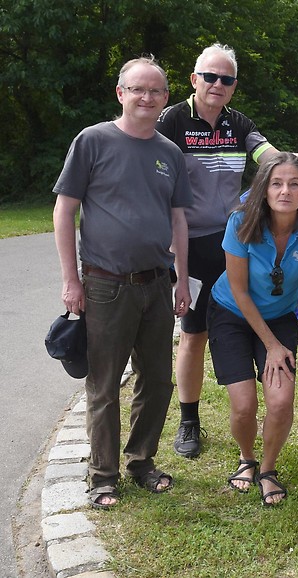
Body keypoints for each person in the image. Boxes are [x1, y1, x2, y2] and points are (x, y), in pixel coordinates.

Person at [156, 43, 298, 459]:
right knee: (194, 334)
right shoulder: (174, 120)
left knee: (241, 304)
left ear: (234, 86)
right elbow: (152, 173)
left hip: (236, 235)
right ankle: (189, 420)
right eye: (210, 77)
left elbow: (273, 161)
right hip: (190, 243)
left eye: (227, 79)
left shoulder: (239, 124)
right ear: (194, 79)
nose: (218, 85)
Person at [53, 56, 193, 509]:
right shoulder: (92, 140)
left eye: (155, 91)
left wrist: (183, 282)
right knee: (105, 384)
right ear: (121, 93)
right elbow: (64, 211)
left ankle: (141, 462)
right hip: (104, 284)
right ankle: (102, 476)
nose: (146, 97)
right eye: (137, 89)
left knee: (157, 380)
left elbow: (179, 220)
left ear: (165, 98)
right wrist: (70, 281)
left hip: (157, 283)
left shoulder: (170, 153)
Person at [206, 152, 298, 506]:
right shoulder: (241, 221)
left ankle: (268, 470)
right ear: (263, 189)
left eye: (294, 184)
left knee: (280, 401)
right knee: (243, 405)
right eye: (276, 183)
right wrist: (274, 346)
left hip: (279, 316)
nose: (284, 191)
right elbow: (240, 291)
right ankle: (247, 458)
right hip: (231, 312)